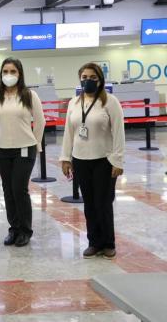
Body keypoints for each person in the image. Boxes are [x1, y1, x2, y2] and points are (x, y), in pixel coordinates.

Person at [60, 62, 125, 259]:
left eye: (92, 77)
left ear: (100, 80)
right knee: (89, 204)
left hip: (104, 160)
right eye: (84, 77)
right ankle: (94, 243)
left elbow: (119, 132)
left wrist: (118, 161)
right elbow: (69, 132)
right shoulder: (74, 103)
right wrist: (65, 158)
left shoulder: (110, 102)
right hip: (81, 160)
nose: (88, 80)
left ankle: (108, 243)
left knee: (103, 203)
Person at [0, 58, 45, 247]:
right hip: (2, 148)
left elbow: (40, 121)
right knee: (7, 189)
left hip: (25, 148)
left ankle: (25, 230)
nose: (9, 75)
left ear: (19, 74)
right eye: (5, 71)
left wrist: (34, 142)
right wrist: (6, 136)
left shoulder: (29, 95)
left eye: (13, 71)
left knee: (19, 189)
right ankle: (13, 228)